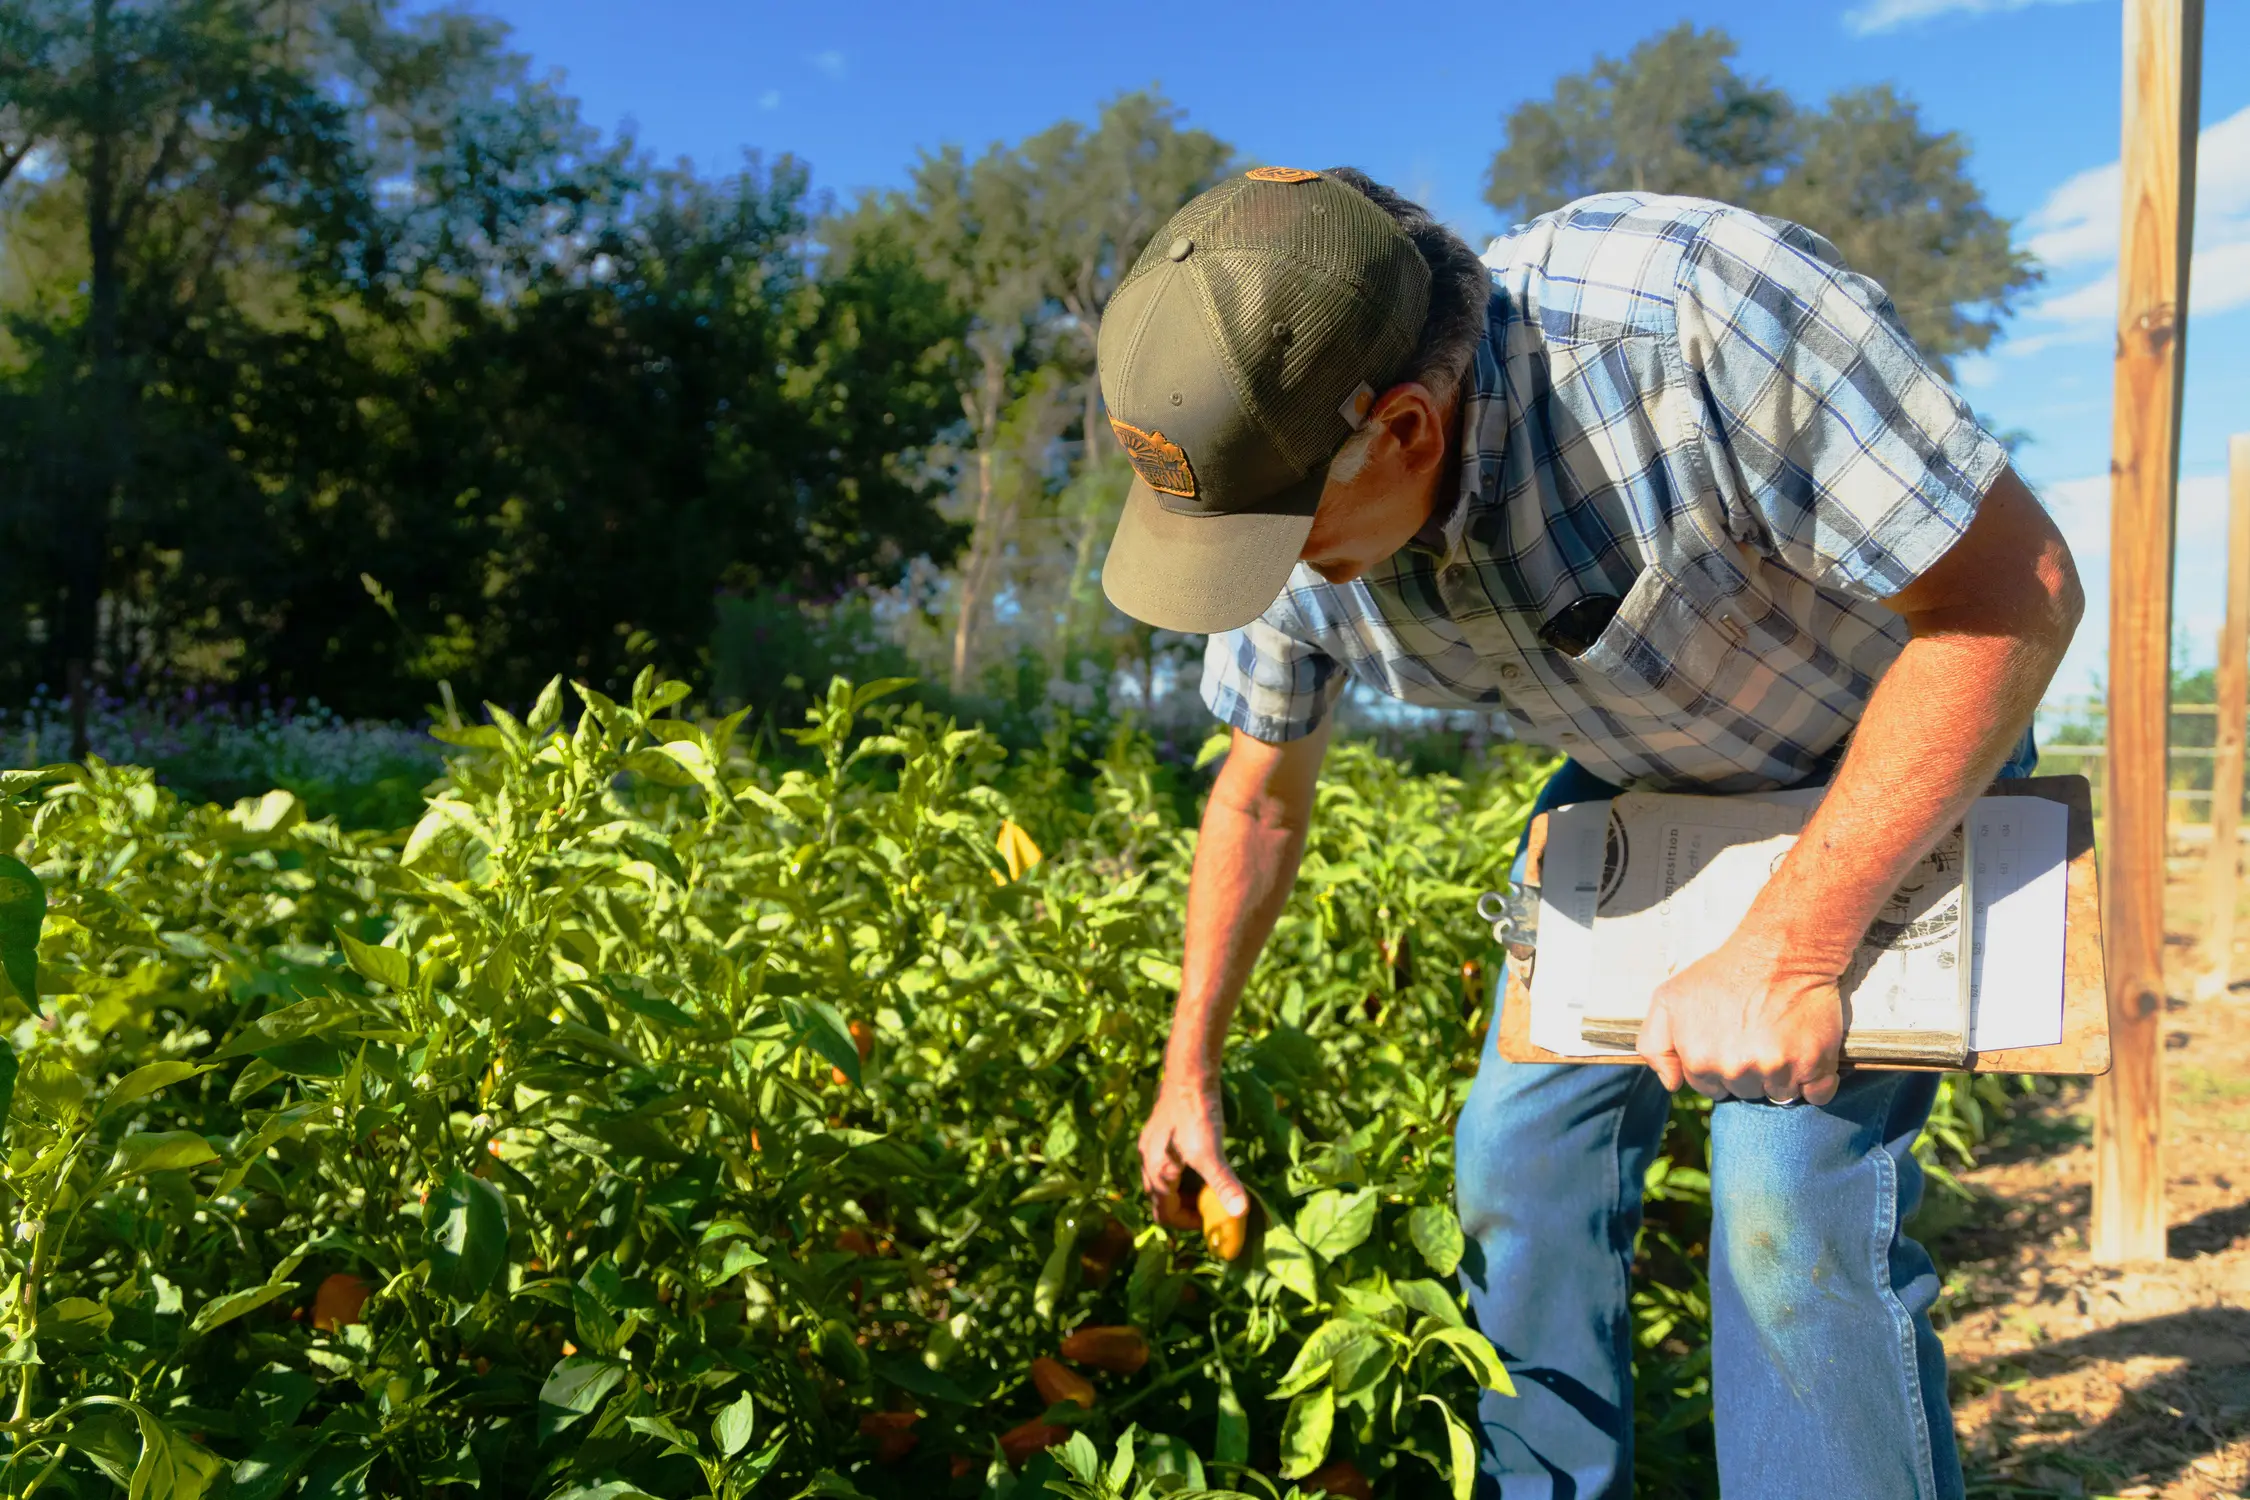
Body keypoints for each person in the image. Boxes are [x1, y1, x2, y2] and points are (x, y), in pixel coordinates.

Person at [1107, 166, 2082, 1499]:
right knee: (1516, 1157)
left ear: (1399, 426)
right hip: (1638, 797)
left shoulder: (1690, 318)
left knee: (1778, 1201)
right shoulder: (1271, 492)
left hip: (1885, 757)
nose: (1261, 580)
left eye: (1280, 540)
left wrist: (1788, 946)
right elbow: (1257, 798)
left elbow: (2010, 597)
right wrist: (1188, 1071)